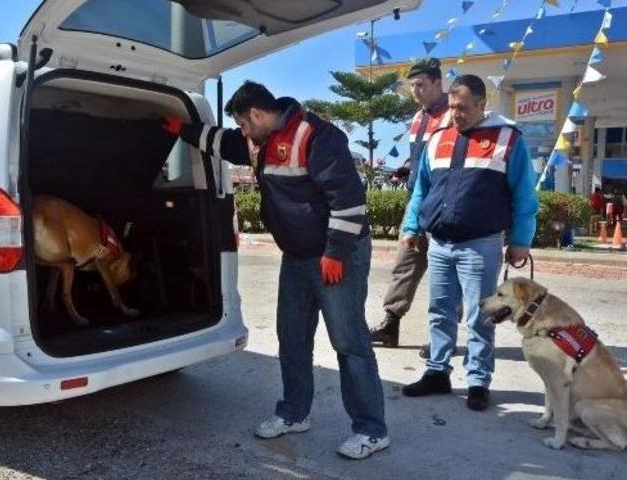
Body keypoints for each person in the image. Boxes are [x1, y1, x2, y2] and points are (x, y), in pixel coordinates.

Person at [163, 81, 389, 459]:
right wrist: (179, 129)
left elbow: (349, 201)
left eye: (244, 124)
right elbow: (222, 142)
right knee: (292, 336)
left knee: (349, 343)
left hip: (337, 255)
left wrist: (335, 253)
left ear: (256, 114)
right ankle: (294, 413)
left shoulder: (316, 135)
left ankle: (371, 430)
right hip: (298, 256)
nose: (242, 133)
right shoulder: (258, 140)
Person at [399, 74, 538, 411]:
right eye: (451, 107)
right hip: (440, 243)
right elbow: (422, 189)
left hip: (481, 244)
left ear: (481, 104)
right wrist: (411, 225)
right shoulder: (437, 138)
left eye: (462, 107)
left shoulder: (507, 138)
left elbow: (524, 193)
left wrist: (521, 239)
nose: (455, 113)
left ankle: (478, 380)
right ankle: (437, 372)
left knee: (480, 315)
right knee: (439, 311)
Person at [370, 58, 451, 353]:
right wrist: (408, 172)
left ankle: (444, 337)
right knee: (405, 264)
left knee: (445, 273)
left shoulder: (453, 116)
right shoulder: (419, 117)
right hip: (416, 201)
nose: (415, 91)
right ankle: (390, 325)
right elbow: (423, 162)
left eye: (421, 85)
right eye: (412, 86)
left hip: (445, 206)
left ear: (438, 84)